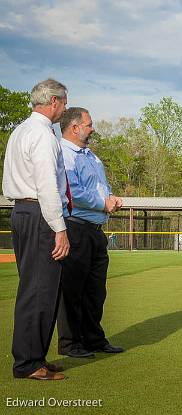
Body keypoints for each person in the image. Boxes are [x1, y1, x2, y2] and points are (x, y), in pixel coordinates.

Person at [2, 79, 70, 380]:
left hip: (22, 211)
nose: (65, 108)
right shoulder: (42, 135)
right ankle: (29, 363)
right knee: (41, 289)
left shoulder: (20, 130)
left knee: (33, 288)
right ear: (53, 101)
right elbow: (47, 186)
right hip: (39, 212)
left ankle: (33, 356)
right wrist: (60, 228)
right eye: (65, 103)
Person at [56, 107, 124, 358]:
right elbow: (72, 192)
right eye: (89, 124)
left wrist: (111, 199)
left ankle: (94, 339)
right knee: (73, 290)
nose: (92, 128)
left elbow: (99, 188)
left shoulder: (92, 157)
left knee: (96, 290)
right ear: (74, 127)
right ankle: (70, 343)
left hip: (95, 230)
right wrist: (103, 203)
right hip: (75, 228)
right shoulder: (63, 153)